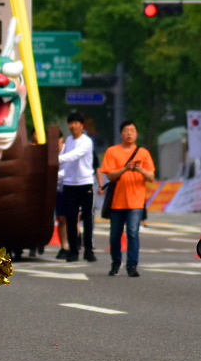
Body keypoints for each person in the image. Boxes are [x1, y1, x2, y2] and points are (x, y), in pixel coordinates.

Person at [100, 121, 155, 277]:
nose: (129, 133)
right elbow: (110, 175)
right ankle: (116, 263)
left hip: (136, 201)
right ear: (121, 133)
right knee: (115, 235)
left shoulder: (143, 153)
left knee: (132, 232)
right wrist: (125, 169)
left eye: (132, 130)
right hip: (117, 201)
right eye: (126, 130)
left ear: (136, 134)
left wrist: (141, 170)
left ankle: (132, 265)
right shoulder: (112, 151)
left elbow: (151, 177)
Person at [58, 112, 96, 263]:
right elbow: (66, 161)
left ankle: (88, 251)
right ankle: (73, 251)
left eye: (76, 123)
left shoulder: (86, 141)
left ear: (82, 125)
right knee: (71, 219)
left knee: (87, 219)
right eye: (71, 123)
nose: (73, 126)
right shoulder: (68, 140)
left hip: (84, 183)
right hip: (69, 184)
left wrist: (56, 158)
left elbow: (74, 155)